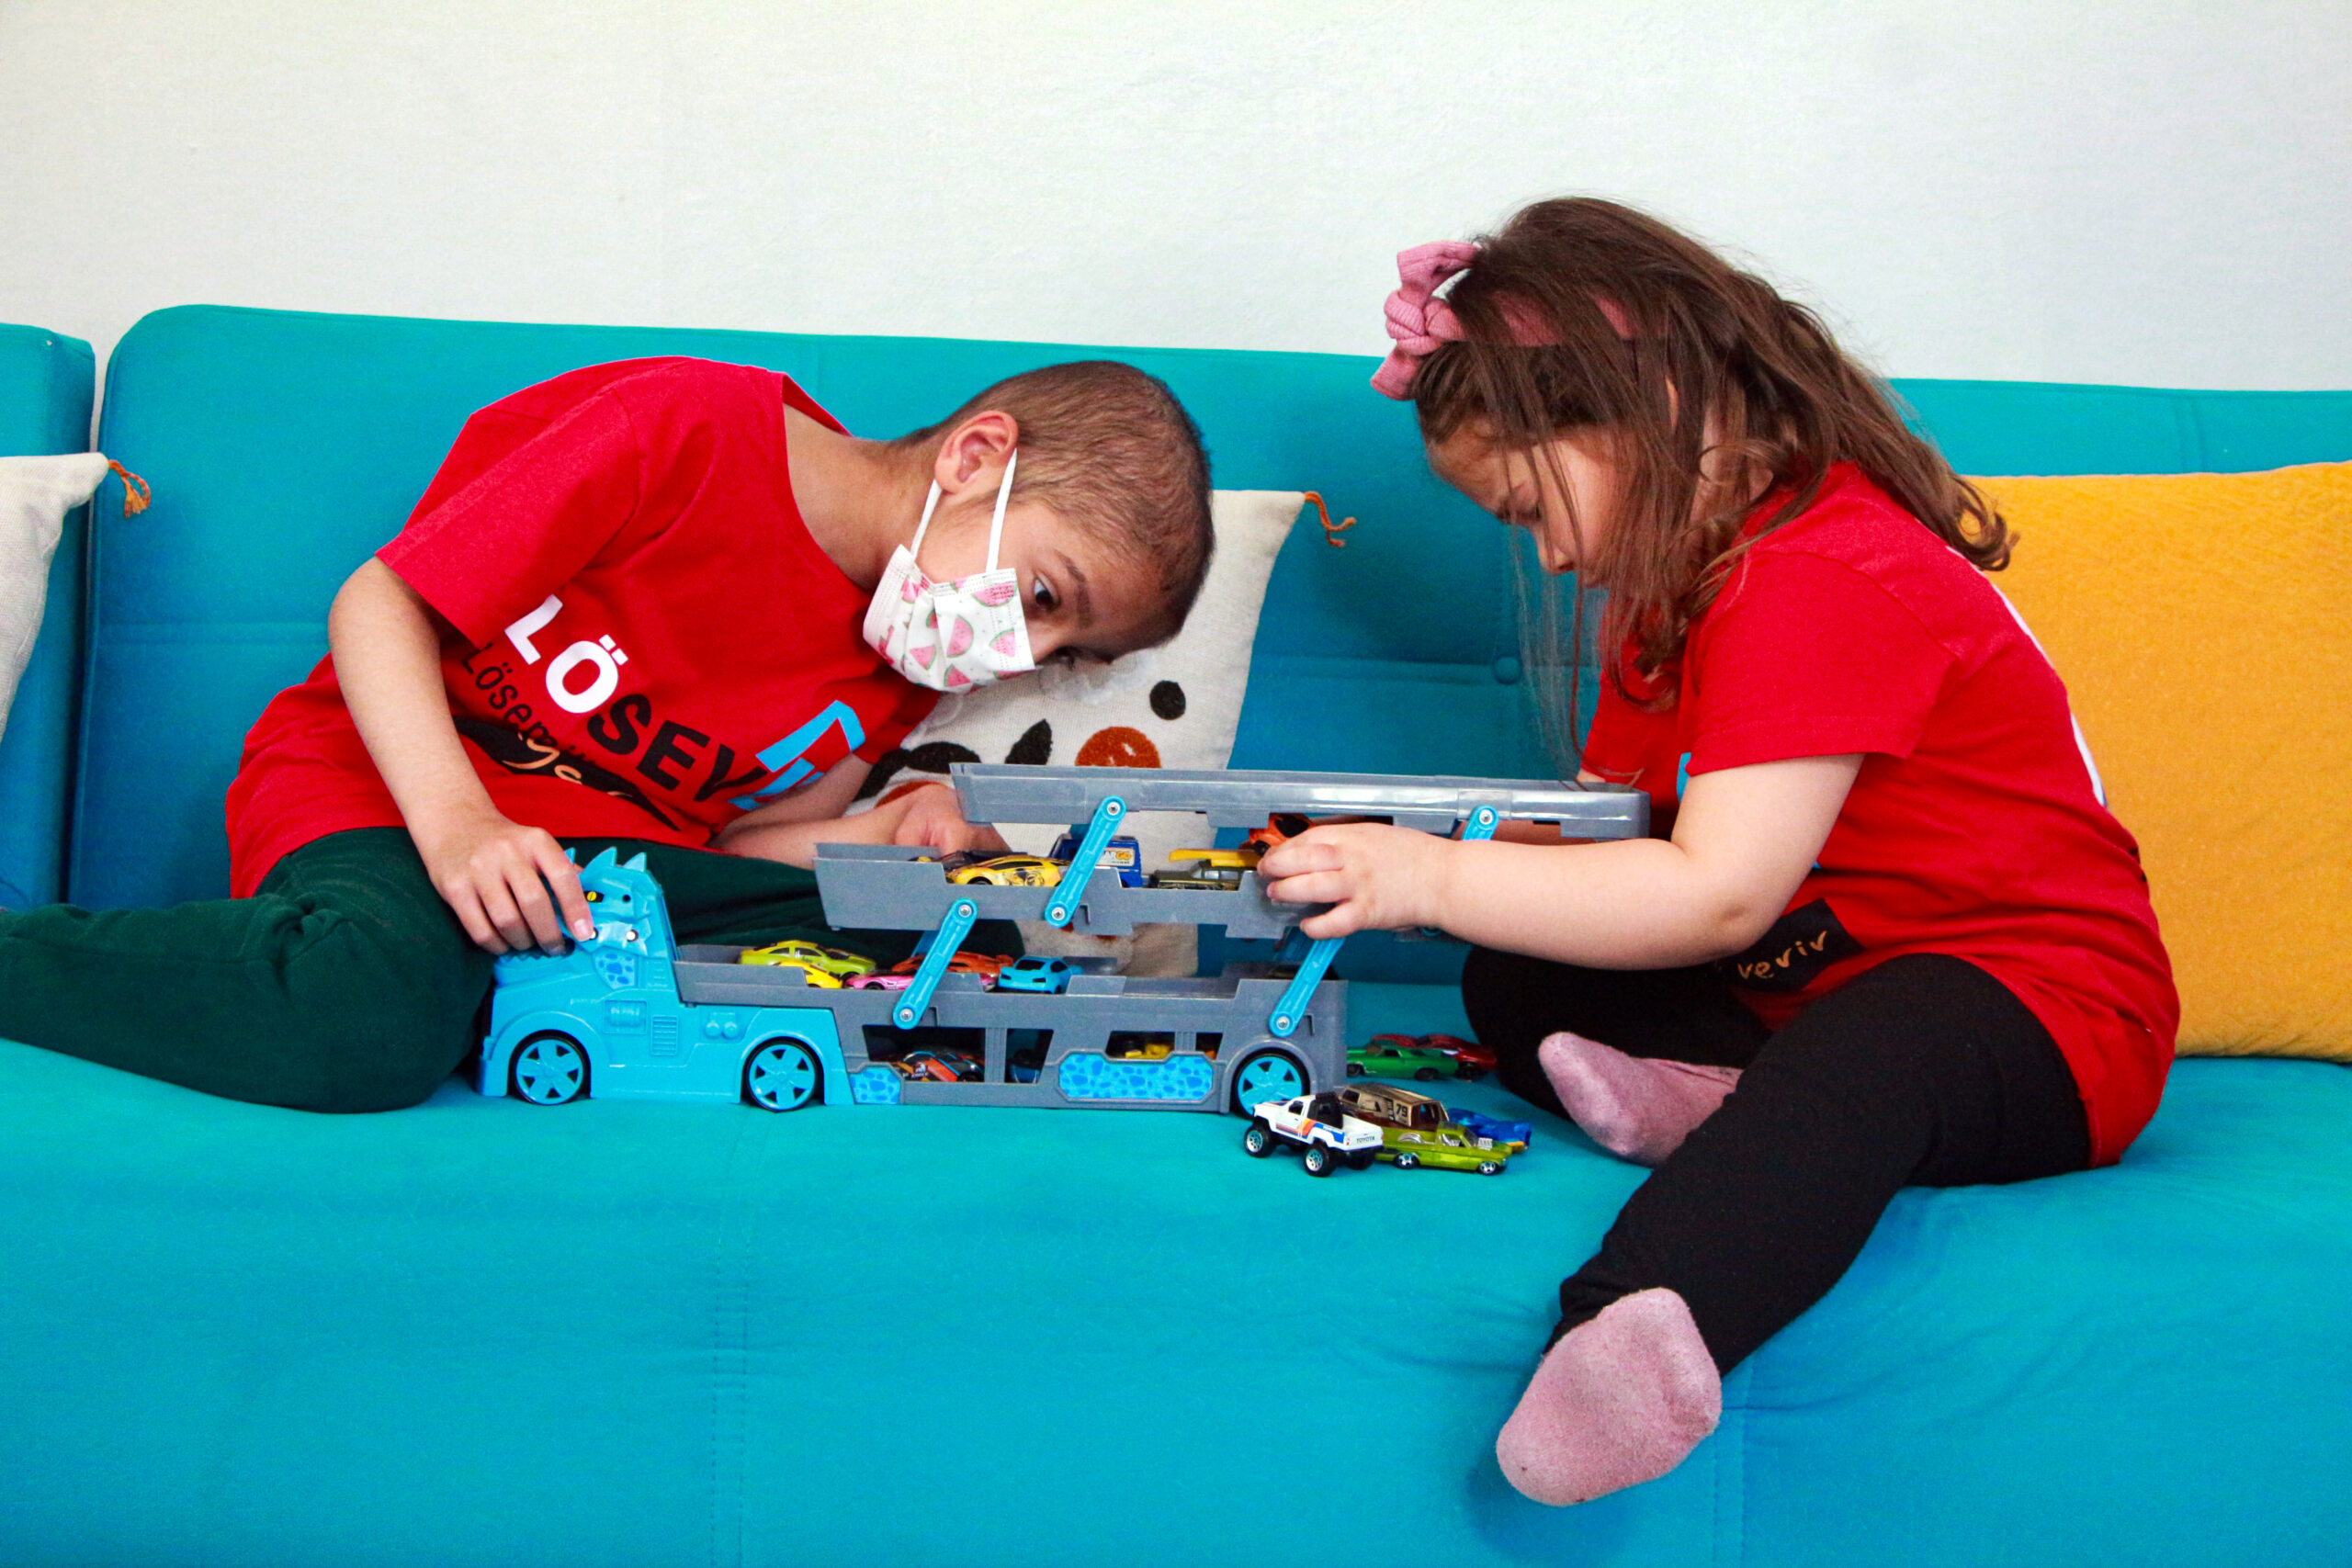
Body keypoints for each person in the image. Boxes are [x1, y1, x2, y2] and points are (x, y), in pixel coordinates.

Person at [1257, 198, 2176, 1506]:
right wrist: (1408, 858)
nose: (1553, 558)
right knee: (1516, 973)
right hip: (1806, 992)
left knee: (1876, 1049)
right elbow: (1611, 842)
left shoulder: (1822, 576)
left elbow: (1718, 896)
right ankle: (1714, 1097)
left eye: (1532, 508)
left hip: (2040, 1014)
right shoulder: (1666, 605)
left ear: (1651, 410)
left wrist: (1439, 878)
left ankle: (1632, 1329)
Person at [0, 355, 1214, 1112]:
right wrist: (459, 825)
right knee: (363, 1014)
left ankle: (486, 987)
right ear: (977, 456)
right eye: (1045, 597)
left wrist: (889, 837)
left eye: (1066, 653)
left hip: (606, 883)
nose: (1023, 653)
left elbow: (732, 850)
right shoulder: (681, 427)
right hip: (400, 802)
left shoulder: (900, 659)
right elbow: (381, 603)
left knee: (963, 950)